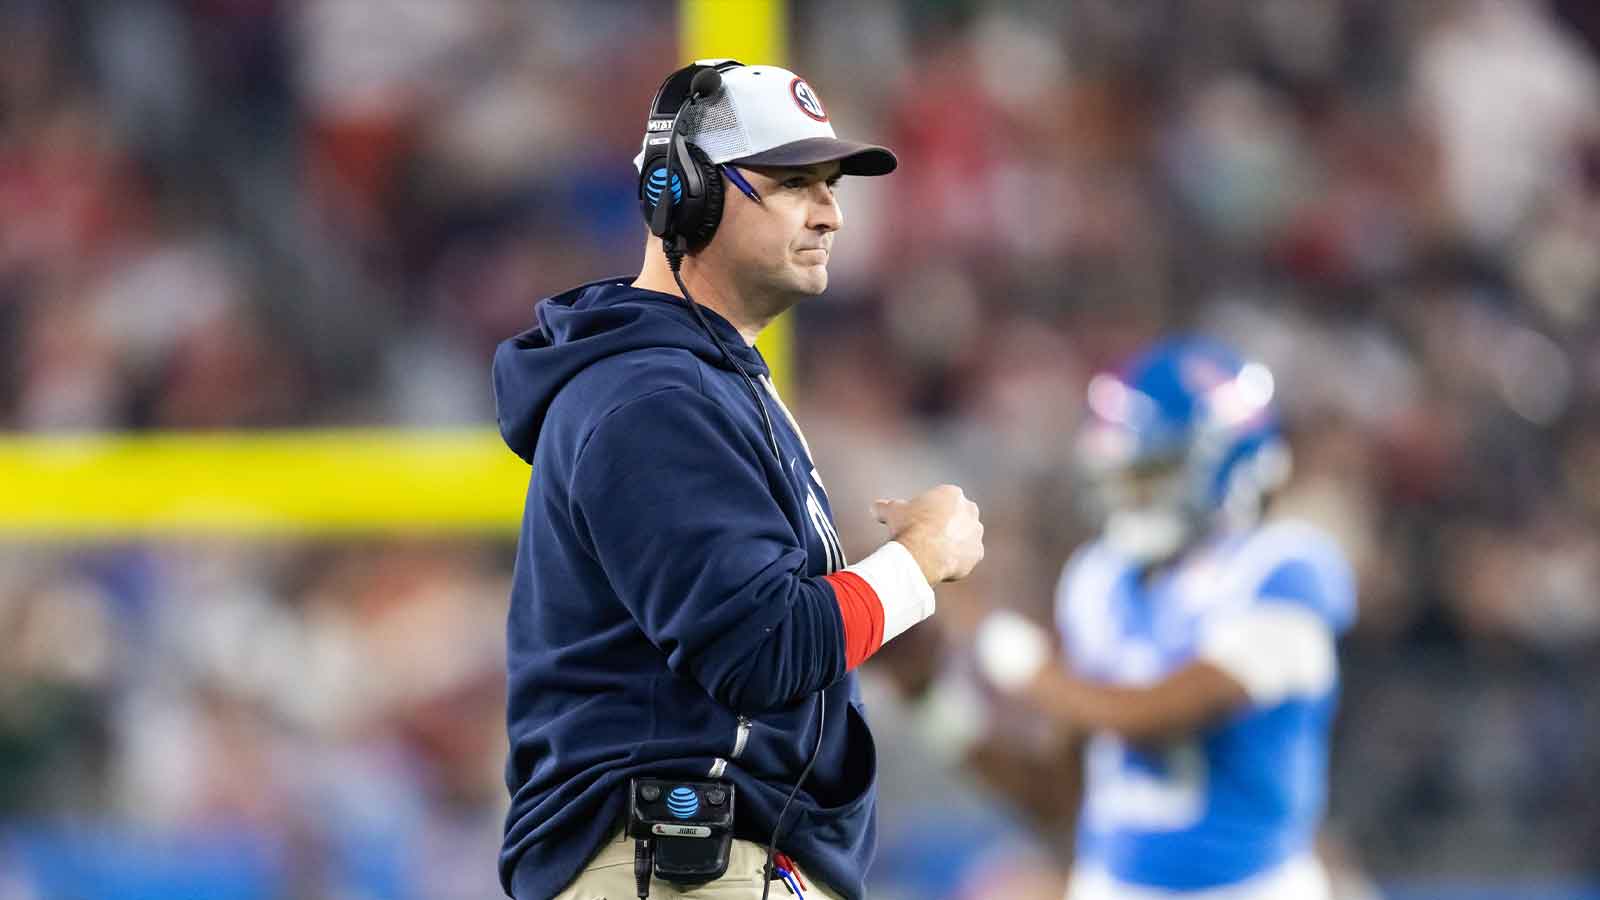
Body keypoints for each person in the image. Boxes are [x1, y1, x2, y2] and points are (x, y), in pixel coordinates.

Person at [491, 59, 985, 900]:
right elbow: (762, 648)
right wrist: (919, 561)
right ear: (684, 194)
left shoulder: (700, 379)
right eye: (794, 183)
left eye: (829, 185)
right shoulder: (653, 395)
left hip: (711, 858)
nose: (830, 213)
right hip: (679, 858)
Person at [956, 337, 1356, 899]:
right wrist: (939, 705)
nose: (1134, 495)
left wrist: (1007, 651)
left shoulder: (1285, 569)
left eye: (1156, 472)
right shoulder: (1097, 577)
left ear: (1232, 462)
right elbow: (1064, 782)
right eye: (1126, 475)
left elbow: (1146, 716)